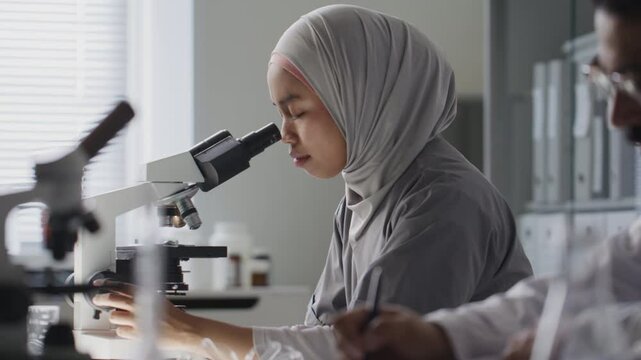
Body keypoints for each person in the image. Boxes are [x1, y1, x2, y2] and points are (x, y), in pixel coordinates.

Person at [92, 4, 532, 358]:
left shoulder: (445, 201)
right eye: (280, 112)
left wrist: (191, 332)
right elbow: (318, 336)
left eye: (297, 111)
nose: (284, 132)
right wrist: (193, 337)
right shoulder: (361, 198)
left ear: (360, 97)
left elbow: (377, 349)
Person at [334, 0, 641, 359]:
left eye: (634, 82)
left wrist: (573, 343)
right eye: (606, 80)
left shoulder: (445, 196)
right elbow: (582, 289)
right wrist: (439, 335)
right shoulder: (354, 203)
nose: (616, 117)